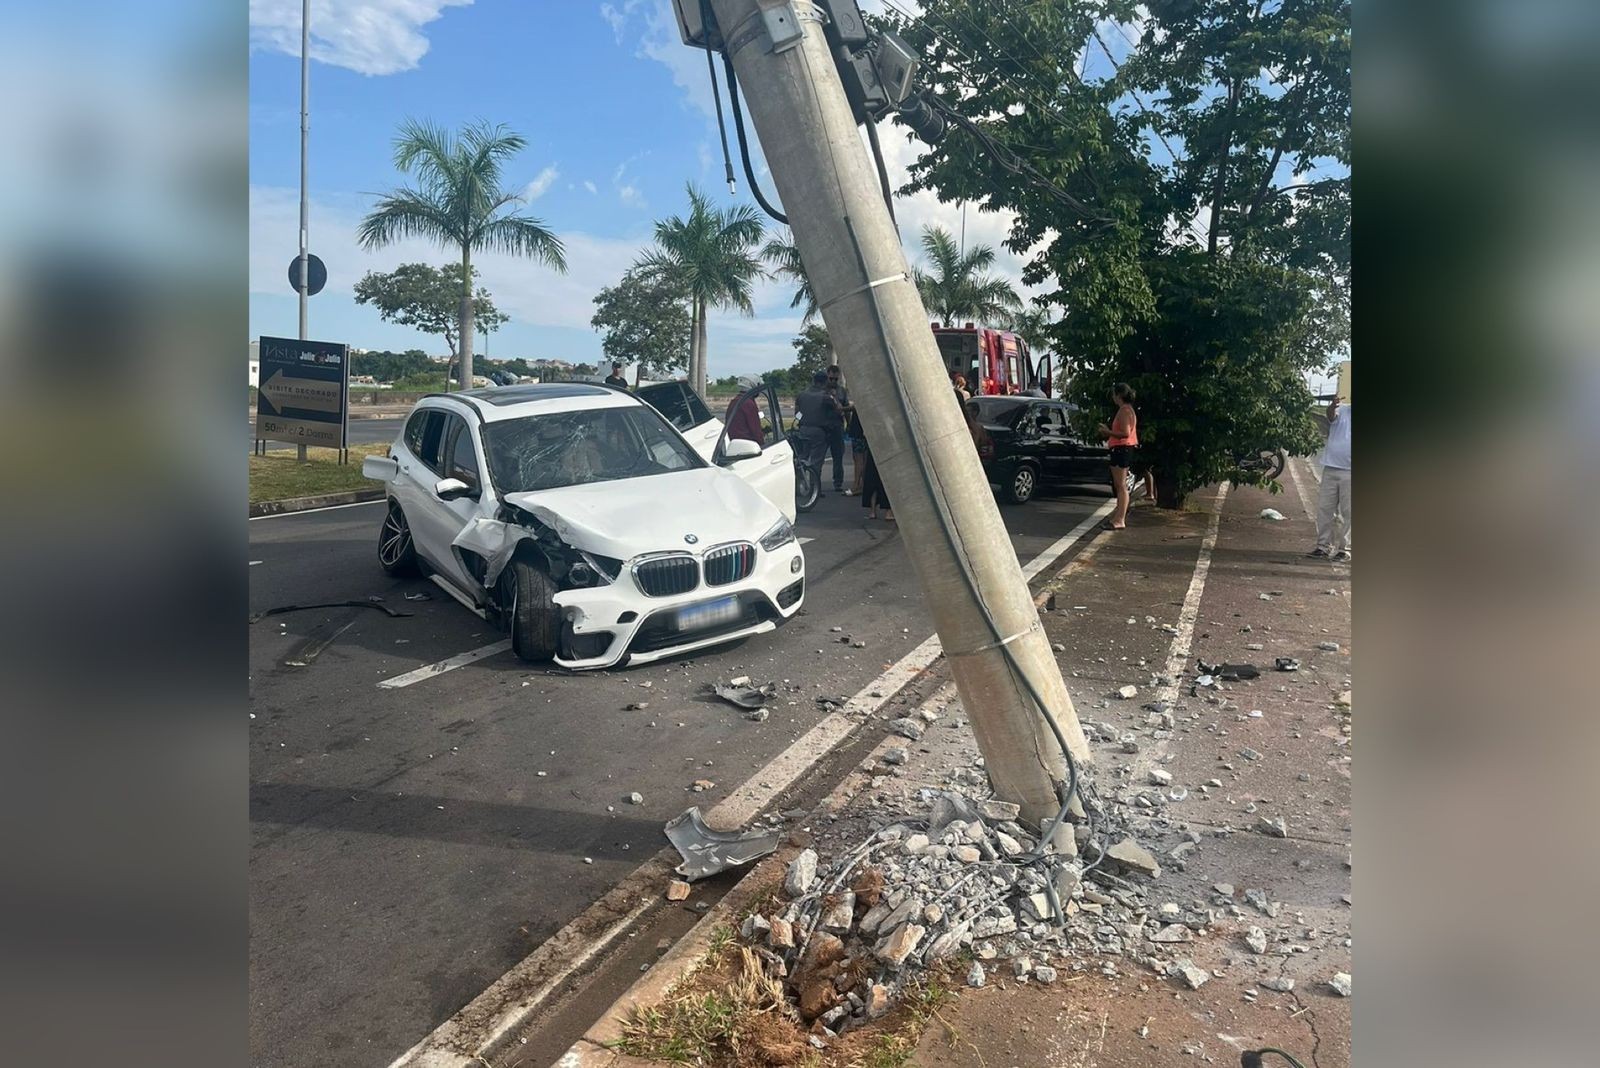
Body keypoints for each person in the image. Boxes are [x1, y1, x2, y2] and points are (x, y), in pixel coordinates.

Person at [1308, 396, 1352, 561]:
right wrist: (1333, 405)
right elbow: (1331, 415)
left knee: (1349, 513)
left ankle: (1345, 550)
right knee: (1325, 509)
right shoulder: (1342, 409)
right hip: (1331, 468)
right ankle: (1323, 546)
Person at [1097, 382, 1139, 530]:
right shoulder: (1128, 410)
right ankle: (1118, 516)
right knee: (1120, 485)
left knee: (1120, 486)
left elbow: (1125, 433)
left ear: (1119, 395)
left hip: (1122, 449)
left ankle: (1120, 519)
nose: (1113, 397)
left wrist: (1108, 432)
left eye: (1114, 394)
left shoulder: (1124, 411)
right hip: (1123, 449)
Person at [794, 370, 839, 496]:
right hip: (819, 431)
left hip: (803, 429)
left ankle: (799, 484)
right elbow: (837, 410)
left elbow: (797, 414)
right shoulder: (826, 397)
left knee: (802, 458)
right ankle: (814, 489)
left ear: (813, 381)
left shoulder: (801, 395)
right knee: (816, 461)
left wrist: (802, 420)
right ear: (825, 382)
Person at [823, 365, 851, 492]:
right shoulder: (821, 390)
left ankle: (838, 482)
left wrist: (848, 424)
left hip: (837, 426)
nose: (833, 381)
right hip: (823, 427)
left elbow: (846, 409)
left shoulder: (842, 391)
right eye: (831, 378)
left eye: (835, 379)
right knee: (818, 456)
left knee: (838, 456)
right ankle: (815, 483)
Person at [724, 377, 764, 444]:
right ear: (752, 386)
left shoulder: (735, 401)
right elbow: (755, 430)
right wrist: (762, 442)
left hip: (734, 443)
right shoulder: (748, 403)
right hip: (748, 444)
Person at [845, 405, 867, 495]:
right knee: (864, 459)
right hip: (864, 432)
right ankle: (863, 484)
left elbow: (855, 407)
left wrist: (841, 408)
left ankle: (856, 485)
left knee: (858, 460)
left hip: (858, 432)